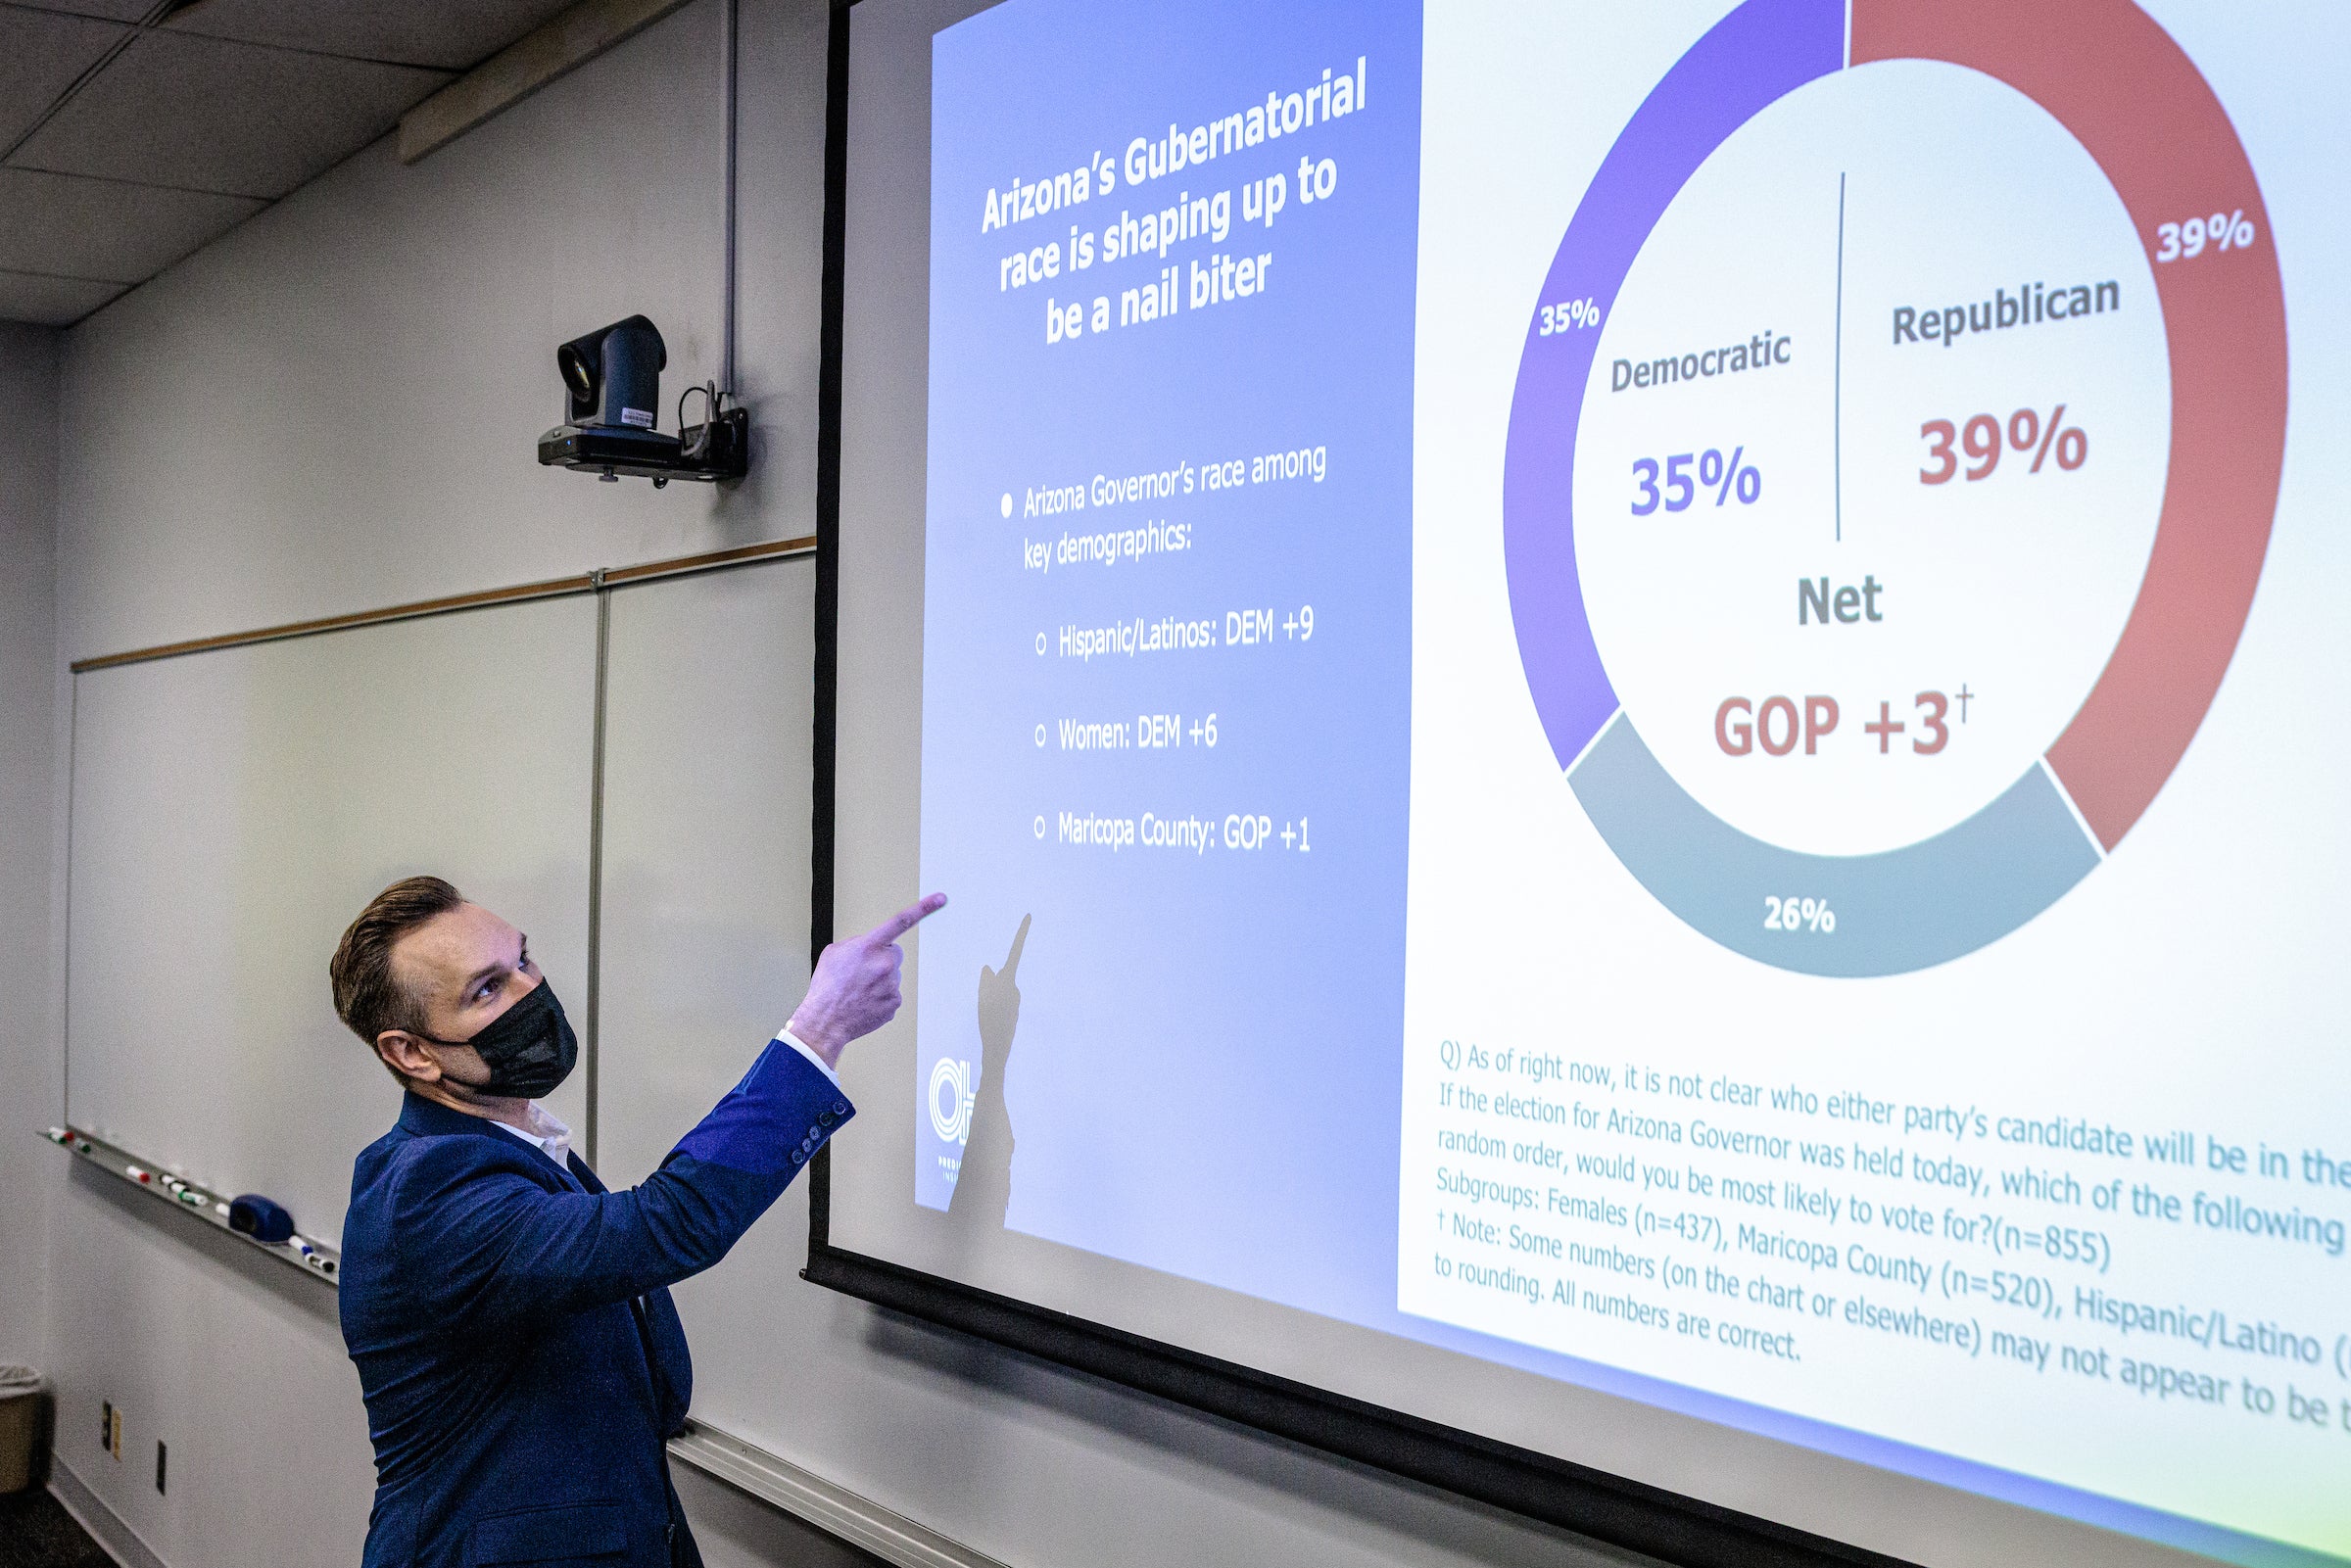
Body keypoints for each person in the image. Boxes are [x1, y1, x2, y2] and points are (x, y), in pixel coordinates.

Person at [330, 875, 943, 1568]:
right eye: (487, 990)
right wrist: (820, 1030)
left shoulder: (514, 1147)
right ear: (411, 1051)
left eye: (523, 960)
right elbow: (665, 1222)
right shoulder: (427, 1194)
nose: (531, 993)